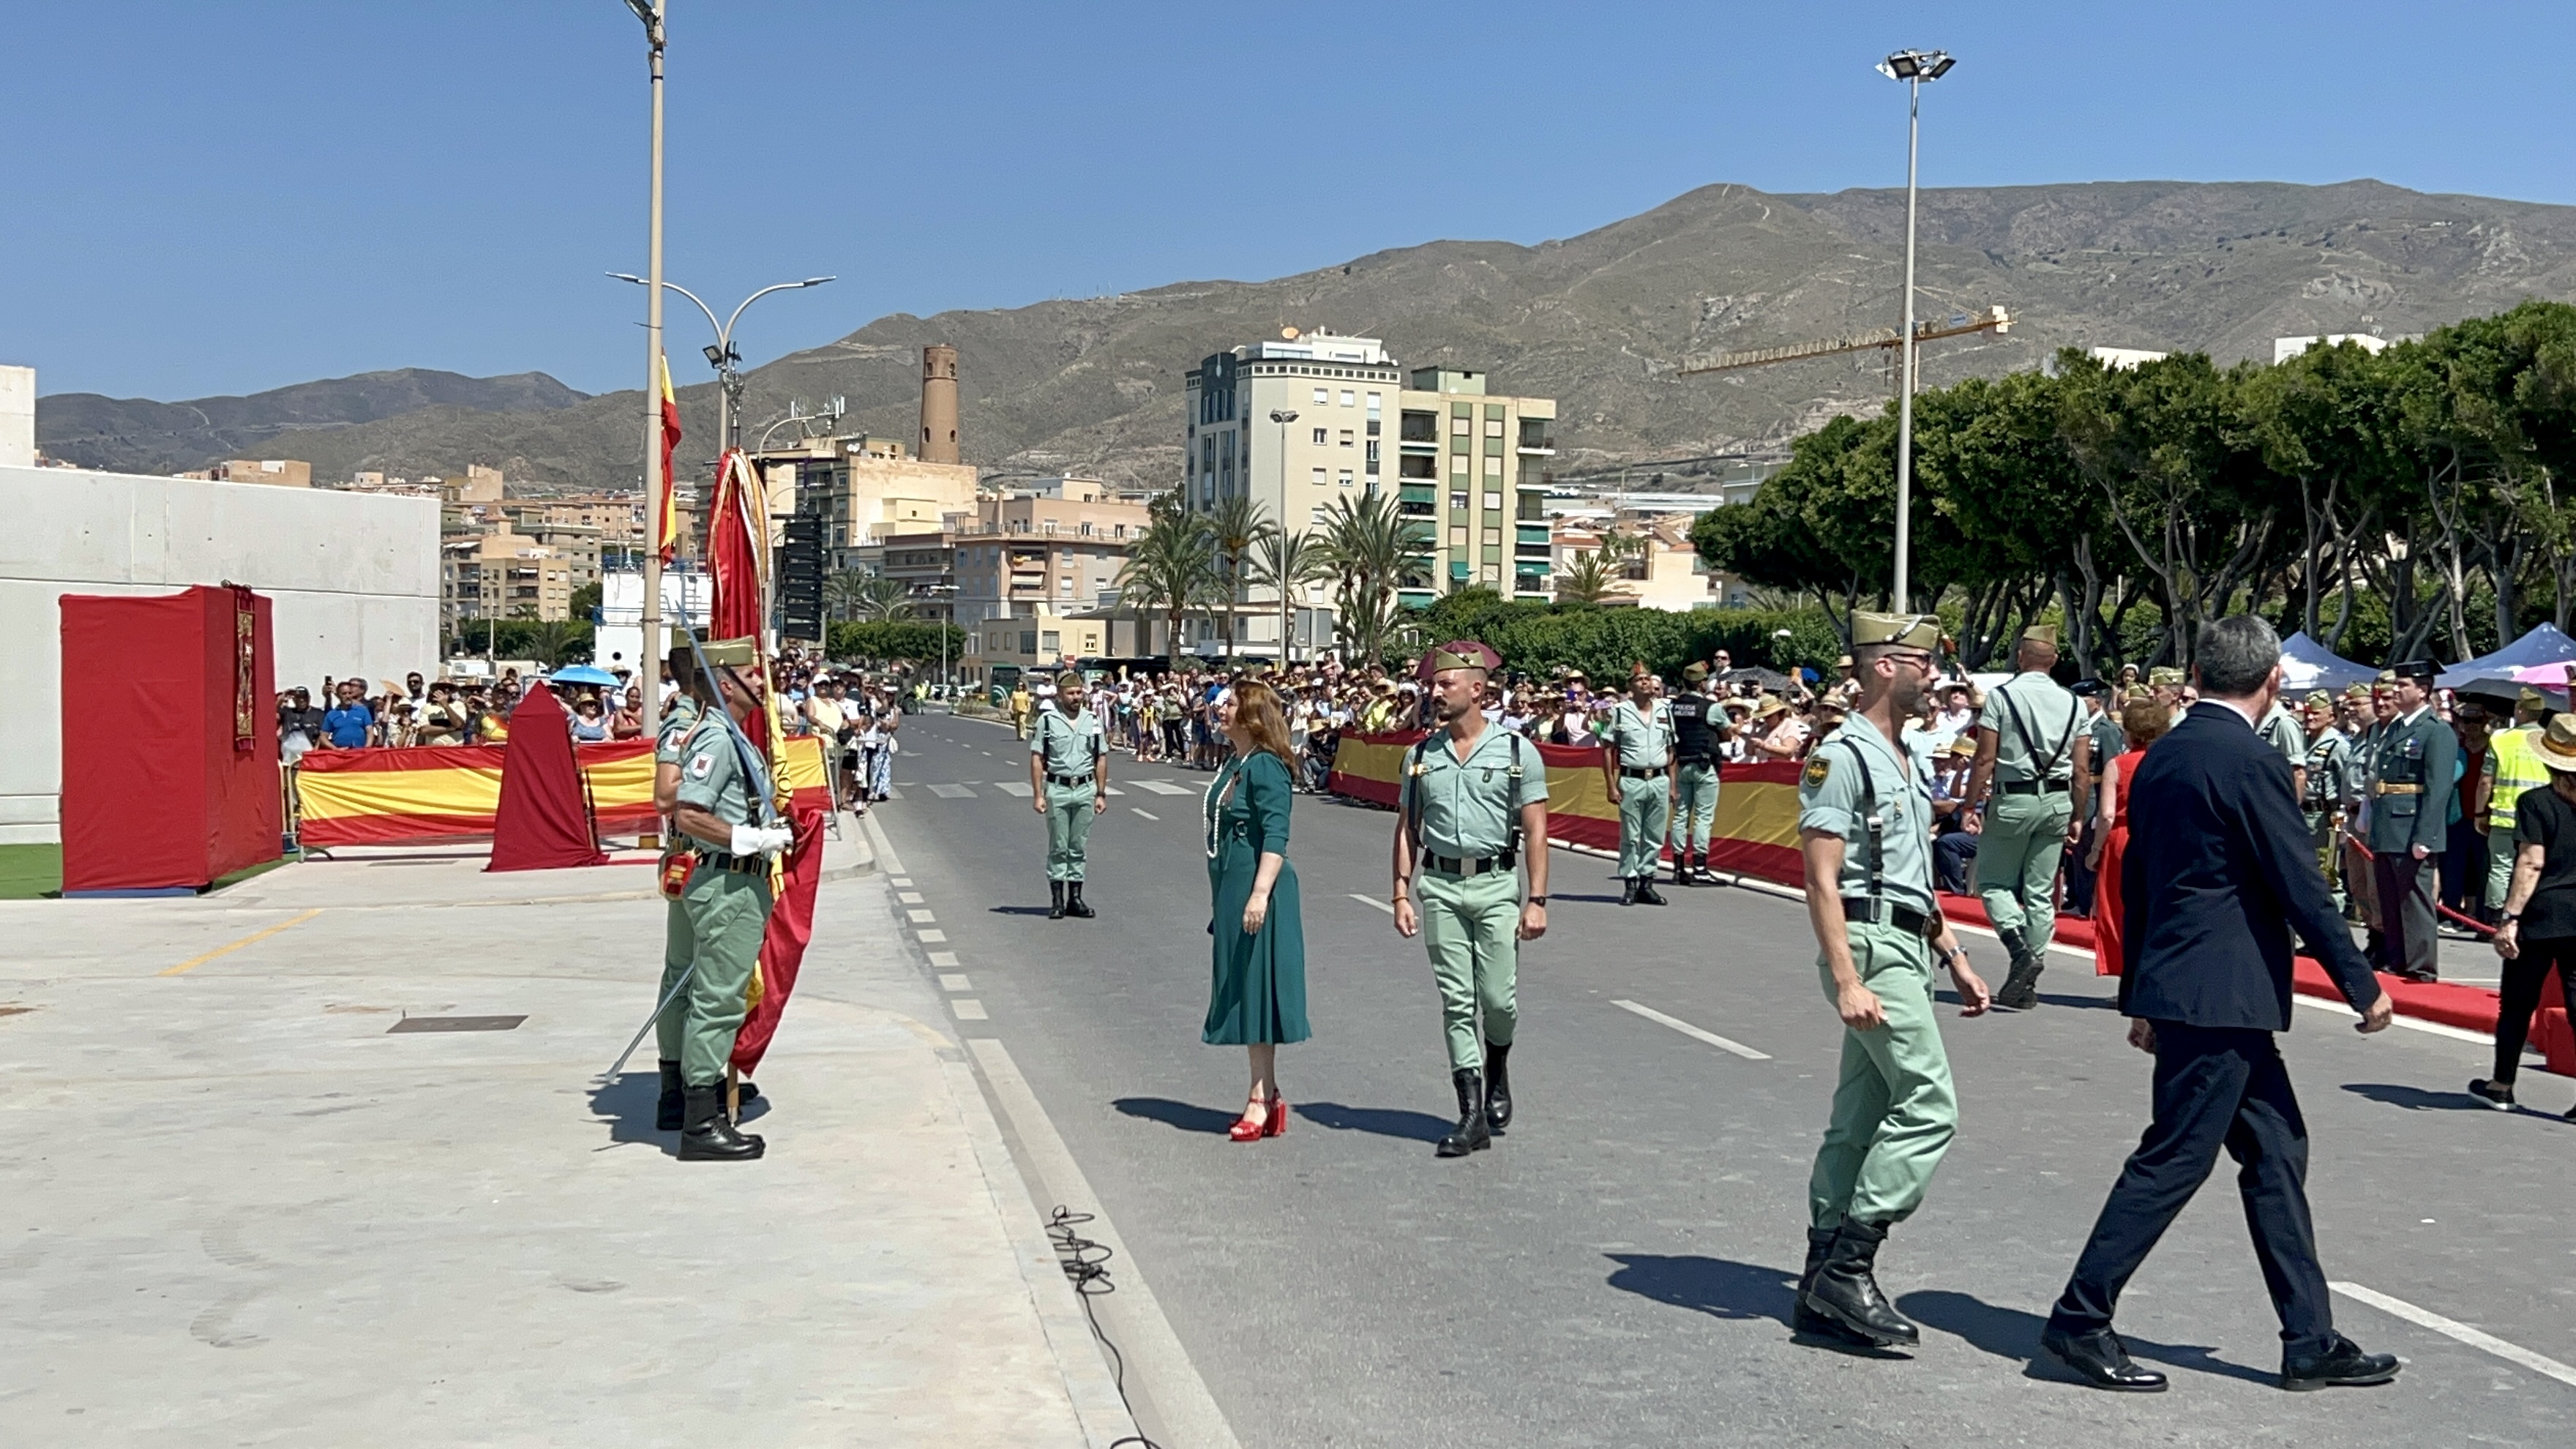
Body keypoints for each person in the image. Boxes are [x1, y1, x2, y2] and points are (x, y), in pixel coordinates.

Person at [2038, 615, 2397, 1396]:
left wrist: (2139, 990)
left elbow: (2137, 882)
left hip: (2190, 986)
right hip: (2219, 993)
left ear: (2199, 672)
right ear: (2271, 679)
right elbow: (2298, 881)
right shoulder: (2249, 760)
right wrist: (2359, 982)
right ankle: (2078, 1318)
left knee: (2275, 1153)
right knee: (2174, 1157)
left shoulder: (2161, 756)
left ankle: (2309, 1338)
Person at [1791, 611, 1992, 1349]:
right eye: (1919, 662)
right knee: (1930, 1105)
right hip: (1869, 946)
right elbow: (1821, 878)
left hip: (1905, 940)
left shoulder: (1902, 755)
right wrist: (1845, 976)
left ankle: (1819, 1283)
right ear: (1883, 666)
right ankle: (1850, 1264)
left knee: (1861, 1115)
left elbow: (1909, 876)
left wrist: (1955, 955)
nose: (1930, 675)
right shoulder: (1842, 755)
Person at [1391, 640, 1550, 1160]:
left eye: (1445, 684)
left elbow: (1536, 828)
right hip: (1439, 887)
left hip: (1497, 886)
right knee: (1457, 1002)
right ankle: (1471, 1113)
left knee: (1499, 1001)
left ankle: (1498, 1067)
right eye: (1433, 685)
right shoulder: (1420, 756)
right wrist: (1400, 891)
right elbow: (1407, 826)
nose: (1434, 692)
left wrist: (1538, 899)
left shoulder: (1514, 751)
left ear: (1477, 690)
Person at [664, 637, 792, 1162]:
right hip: (728, 882)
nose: (761, 681)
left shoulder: (732, 736)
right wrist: (751, 839)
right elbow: (687, 813)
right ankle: (702, 1122)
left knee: (702, 992)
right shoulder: (716, 740)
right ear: (726, 683)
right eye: (751, 674)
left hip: (729, 879)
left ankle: (694, 1099)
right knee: (717, 1001)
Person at [1201, 678, 1311, 1141]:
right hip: (1233, 885)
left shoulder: (1266, 766)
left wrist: (1259, 894)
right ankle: (1268, 1094)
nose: (1219, 709)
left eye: (1229, 704)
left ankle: (1259, 1099)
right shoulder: (1236, 762)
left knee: (1256, 997)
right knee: (1247, 995)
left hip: (1256, 888)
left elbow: (1277, 836)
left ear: (1250, 714)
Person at [1963, 625, 2082, 1010]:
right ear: (2055, 660)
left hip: (2013, 799)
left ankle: (2018, 951)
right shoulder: (2074, 703)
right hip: (2058, 801)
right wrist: (2078, 815)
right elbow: (2082, 770)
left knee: (1995, 883)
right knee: (2040, 892)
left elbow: (1984, 758)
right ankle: (2029, 976)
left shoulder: (2002, 698)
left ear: (2020, 656)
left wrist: (1969, 805)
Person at [2471, 712, 2576, 1116]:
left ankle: (2502, 1084)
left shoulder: (2536, 803)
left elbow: (2531, 862)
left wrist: (2509, 916)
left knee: (2517, 1002)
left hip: (2543, 914)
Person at [2364, 660, 2456, 981]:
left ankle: (2421, 966)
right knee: (2390, 897)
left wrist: (2425, 836)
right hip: (2389, 823)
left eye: (2403, 686)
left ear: (2423, 690)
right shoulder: (2397, 728)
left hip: (2412, 824)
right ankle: (2397, 958)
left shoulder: (2435, 731)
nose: (2396, 690)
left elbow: (2438, 787)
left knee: (2414, 899)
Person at [2085, 696, 2175, 979]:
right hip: (2160, 836)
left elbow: (2107, 815)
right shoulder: (2170, 761)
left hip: (2123, 838)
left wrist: (2096, 850)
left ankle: (2127, 971)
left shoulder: (2118, 764)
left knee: (2118, 907)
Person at [1030, 670, 1109, 920]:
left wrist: (1100, 793)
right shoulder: (1048, 721)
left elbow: (1101, 757)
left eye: (1078, 693)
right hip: (1058, 789)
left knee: (1078, 846)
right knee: (1058, 846)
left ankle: (1075, 898)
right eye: (1070, 693)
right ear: (1060, 696)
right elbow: (1037, 758)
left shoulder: (1092, 720)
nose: (1076, 697)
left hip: (1085, 789)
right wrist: (1037, 795)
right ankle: (1057, 900)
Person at [1602, 667, 1673, 906]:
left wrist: (1673, 785)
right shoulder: (1620, 713)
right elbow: (1608, 749)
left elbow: (1671, 749)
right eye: (1640, 680)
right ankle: (1630, 883)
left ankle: (1647, 883)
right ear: (1630, 687)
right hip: (1632, 779)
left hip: (1659, 779)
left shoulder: (1665, 710)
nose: (1645, 683)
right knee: (1631, 835)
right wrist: (1611, 785)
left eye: (1648, 679)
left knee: (1654, 835)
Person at [2482, 688, 2550, 917]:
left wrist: (2479, 812)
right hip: (2540, 819)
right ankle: (2528, 914)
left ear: (2520, 709)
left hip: (2504, 815)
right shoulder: (2549, 741)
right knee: (2535, 866)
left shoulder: (2501, 738)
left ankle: (2495, 916)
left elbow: (2485, 782)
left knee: (2501, 868)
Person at [1667, 662, 1727, 885]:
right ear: (1702, 683)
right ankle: (1700, 867)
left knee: (1680, 816)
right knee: (1703, 817)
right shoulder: (1710, 707)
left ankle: (1678, 867)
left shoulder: (1671, 708)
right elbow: (1727, 731)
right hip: (1704, 766)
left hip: (1680, 765)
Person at [2297, 690, 2352, 907]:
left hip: (2325, 815)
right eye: (2308, 714)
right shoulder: (2302, 741)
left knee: (2327, 870)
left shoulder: (2337, 744)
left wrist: (2340, 819)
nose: (2310, 718)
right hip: (2303, 812)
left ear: (2331, 716)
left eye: (2316, 714)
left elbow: (2345, 782)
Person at [323, 680, 377, 749]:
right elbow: (323, 736)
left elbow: (370, 731)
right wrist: (335, 749)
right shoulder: (332, 714)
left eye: (350, 693)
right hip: (340, 752)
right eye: (344, 694)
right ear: (338, 695)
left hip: (359, 751)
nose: (348, 696)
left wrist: (367, 748)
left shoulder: (363, 711)